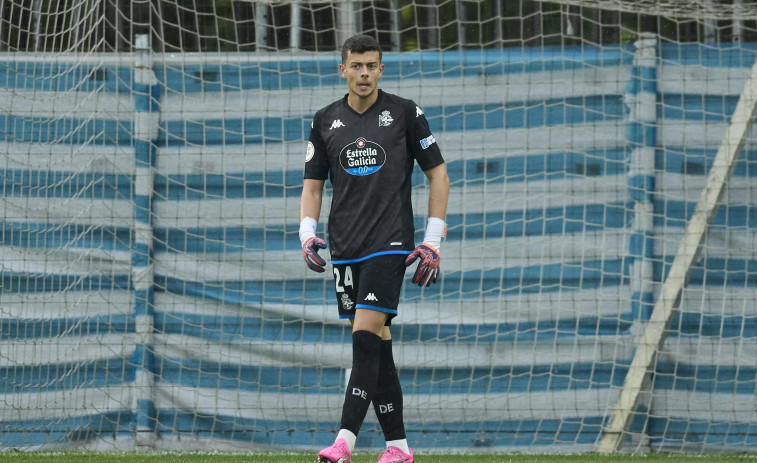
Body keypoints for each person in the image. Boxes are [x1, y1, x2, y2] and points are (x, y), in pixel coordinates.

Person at [299, 33, 449, 463]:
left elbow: (438, 175)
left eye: (371, 66)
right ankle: (399, 448)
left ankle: (344, 440)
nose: (364, 73)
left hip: (390, 244)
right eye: (356, 66)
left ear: (381, 69)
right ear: (342, 69)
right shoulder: (325, 119)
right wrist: (307, 234)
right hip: (345, 247)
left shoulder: (404, 112)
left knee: (363, 337)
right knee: (378, 347)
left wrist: (431, 242)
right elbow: (312, 187)